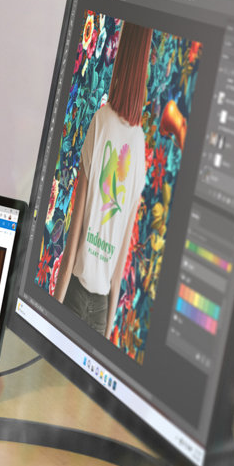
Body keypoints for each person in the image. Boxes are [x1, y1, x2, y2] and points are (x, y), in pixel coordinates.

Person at [54, 21, 151, 338]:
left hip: (75, 294)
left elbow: (75, 236)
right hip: (100, 307)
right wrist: (109, 328)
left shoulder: (100, 121)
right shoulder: (140, 144)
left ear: (122, 56)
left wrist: (52, 310)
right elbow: (121, 256)